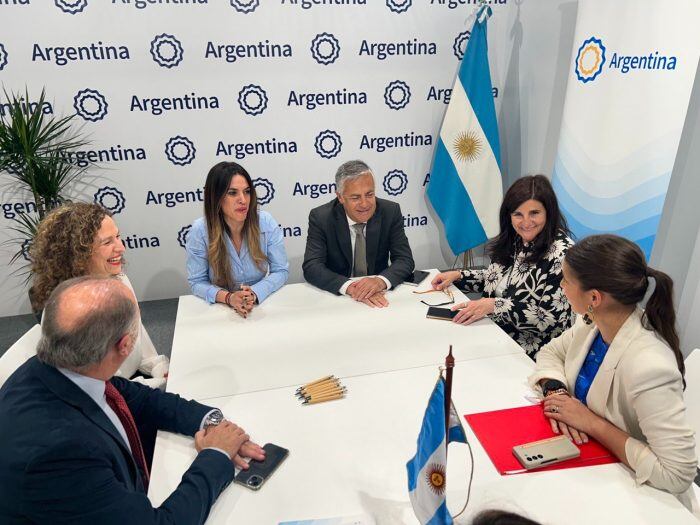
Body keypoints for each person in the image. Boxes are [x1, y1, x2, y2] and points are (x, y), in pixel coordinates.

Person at [0, 276, 265, 523]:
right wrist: (216, 454)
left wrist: (213, 422)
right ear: (125, 346)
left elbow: (138, 398)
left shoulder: (60, 365)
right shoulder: (62, 455)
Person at [529, 235, 698, 513]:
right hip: (589, 466)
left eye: (566, 281)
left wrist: (590, 423)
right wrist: (556, 391)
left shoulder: (650, 366)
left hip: (643, 498)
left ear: (594, 297)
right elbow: (550, 353)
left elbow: (677, 475)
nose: (562, 287)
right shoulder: (593, 322)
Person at [431, 175, 574, 357]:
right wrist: (459, 276)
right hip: (492, 336)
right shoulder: (515, 238)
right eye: (518, 214)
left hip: (533, 354)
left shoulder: (563, 254)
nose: (526, 222)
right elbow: (497, 281)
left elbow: (553, 320)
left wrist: (495, 306)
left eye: (534, 213)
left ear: (549, 212)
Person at [30, 202, 169, 388]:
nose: (121, 248)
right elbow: (106, 388)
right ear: (78, 252)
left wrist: (159, 366)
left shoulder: (120, 280)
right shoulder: (71, 309)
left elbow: (138, 341)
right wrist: (158, 383)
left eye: (118, 237)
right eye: (107, 242)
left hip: (134, 384)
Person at [302, 159, 415, 307]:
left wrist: (380, 281)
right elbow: (312, 266)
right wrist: (350, 287)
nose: (365, 204)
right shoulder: (321, 217)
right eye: (355, 197)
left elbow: (404, 259)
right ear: (340, 197)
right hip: (338, 299)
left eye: (369, 194)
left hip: (380, 296)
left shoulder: (390, 211)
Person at [186, 161, 289, 317]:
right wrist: (228, 298)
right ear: (216, 198)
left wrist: (254, 292)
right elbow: (197, 282)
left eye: (247, 191)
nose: (243, 200)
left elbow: (281, 270)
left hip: (260, 306)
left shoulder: (265, 222)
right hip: (220, 310)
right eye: (232, 193)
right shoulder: (200, 230)